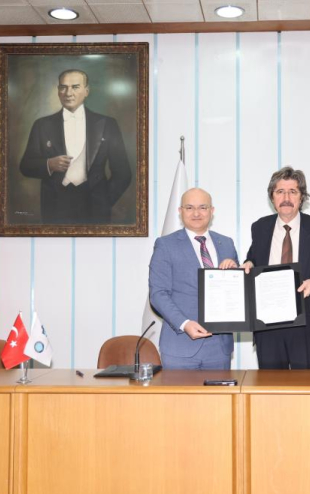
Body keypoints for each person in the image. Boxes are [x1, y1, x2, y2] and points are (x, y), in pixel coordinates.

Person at [242, 167, 310, 369]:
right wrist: (249, 263)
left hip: (307, 326)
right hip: (267, 326)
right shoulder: (260, 227)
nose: (286, 198)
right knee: (270, 386)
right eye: (280, 192)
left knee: (307, 388)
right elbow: (254, 258)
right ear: (272, 197)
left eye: (293, 192)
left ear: (302, 197)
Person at [20, 69, 132, 224]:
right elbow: (25, 166)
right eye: (63, 87)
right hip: (55, 206)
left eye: (75, 87)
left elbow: (123, 173)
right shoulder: (42, 125)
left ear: (86, 91)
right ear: (58, 91)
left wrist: (103, 202)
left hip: (96, 208)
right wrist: (49, 164)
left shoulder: (107, 124)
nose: (68, 93)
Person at [149, 188, 239, 370]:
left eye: (202, 207)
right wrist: (184, 324)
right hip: (180, 345)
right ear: (180, 211)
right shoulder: (165, 245)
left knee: (220, 392)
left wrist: (236, 272)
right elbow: (158, 294)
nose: (196, 213)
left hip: (219, 347)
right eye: (189, 208)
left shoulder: (226, 243)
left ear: (212, 211)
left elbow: (237, 291)